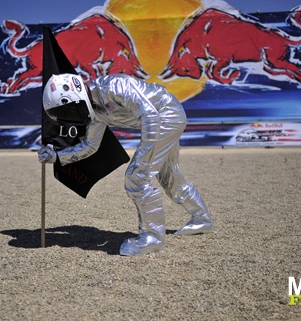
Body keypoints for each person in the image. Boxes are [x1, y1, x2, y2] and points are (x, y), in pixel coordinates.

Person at [38, 73, 212, 256]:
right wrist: (57, 157)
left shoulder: (114, 86)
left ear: (76, 97)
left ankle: (152, 238)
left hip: (164, 116)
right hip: (163, 118)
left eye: (67, 111)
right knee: (168, 175)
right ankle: (202, 219)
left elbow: (151, 115)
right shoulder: (94, 111)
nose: (69, 118)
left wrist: (143, 161)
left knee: (137, 177)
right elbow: (90, 146)